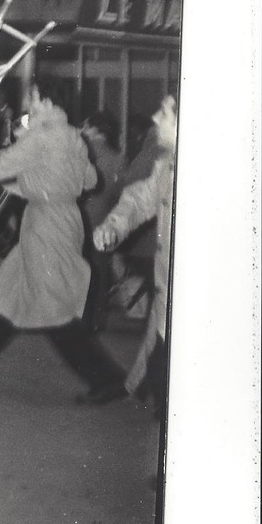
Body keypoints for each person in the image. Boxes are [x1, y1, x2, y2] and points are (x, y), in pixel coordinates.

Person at [0, 80, 129, 405]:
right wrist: (37, 182)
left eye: (31, 95)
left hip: (46, 223)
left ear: (43, 100)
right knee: (6, 291)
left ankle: (106, 378)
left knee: (53, 306)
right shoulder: (74, 135)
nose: (27, 101)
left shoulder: (41, 137)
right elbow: (91, 179)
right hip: (64, 218)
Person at [94, 95, 177, 406]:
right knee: (158, 336)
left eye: (165, 113)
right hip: (167, 284)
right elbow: (139, 199)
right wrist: (114, 226)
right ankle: (134, 385)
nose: (156, 118)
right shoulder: (167, 163)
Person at [79, 111, 127, 332]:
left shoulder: (86, 154)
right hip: (106, 219)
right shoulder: (119, 157)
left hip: (83, 217)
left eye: (86, 126)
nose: (82, 130)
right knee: (100, 269)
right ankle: (96, 320)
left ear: (96, 130)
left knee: (81, 269)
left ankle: (80, 316)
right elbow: (120, 193)